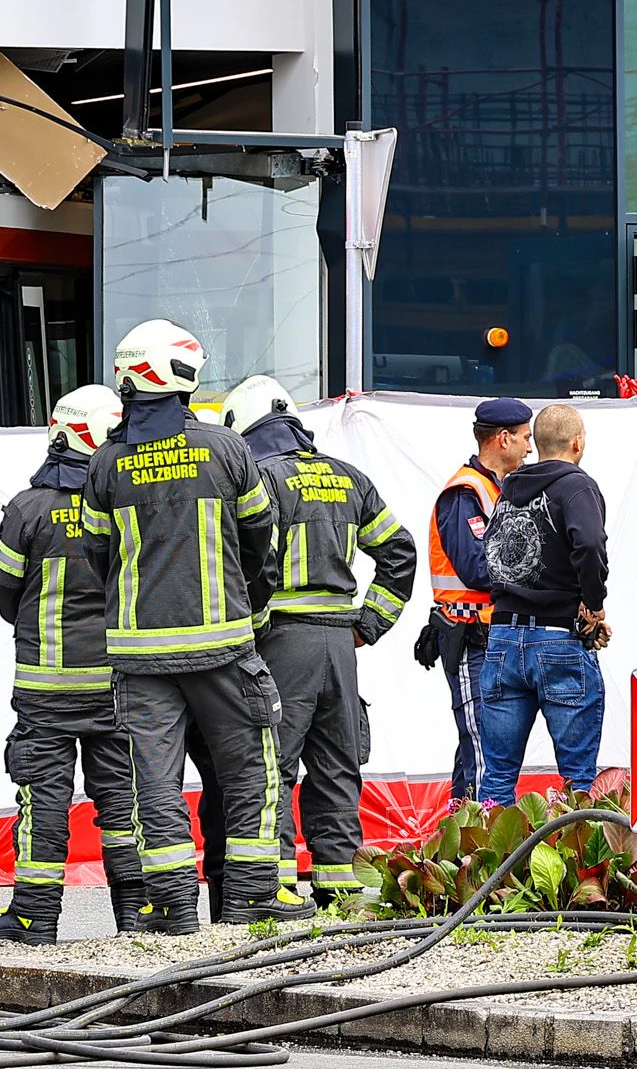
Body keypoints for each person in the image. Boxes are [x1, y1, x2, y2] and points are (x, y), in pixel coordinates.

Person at [81, 320, 294, 932]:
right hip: (225, 648)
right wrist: (244, 597)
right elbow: (261, 539)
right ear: (183, 376)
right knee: (250, 772)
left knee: (155, 782)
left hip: (140, 660)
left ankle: (173, 908)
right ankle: (252, 901)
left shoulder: (107, 463)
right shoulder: (227, 451)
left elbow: (99, 557)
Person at [220, 376, 417, 907]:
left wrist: (254, 629)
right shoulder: (351, 479)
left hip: (282, 643)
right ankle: (340, 885)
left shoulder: (258, 480)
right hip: (339, 648)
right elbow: (400, 552)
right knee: (336, 763)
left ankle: (279, 882)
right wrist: (366, 625)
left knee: (274, 764)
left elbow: (248, 566)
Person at [0, 385, 148, 945]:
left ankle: (34, 918)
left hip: (45, 690)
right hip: (117, 685)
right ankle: (137, 918)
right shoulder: (124, 502)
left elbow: (5, 595)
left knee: (43, 802)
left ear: (60, 433)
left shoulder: (27, 510)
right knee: (122, 803)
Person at [474, 404, 613, 805]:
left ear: (536, 443)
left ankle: (489, 866)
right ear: (578, 442)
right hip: (559, 642)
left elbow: (492, 555)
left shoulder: (507, 490)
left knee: (498, 775)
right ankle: (571, 862)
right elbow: (588, 544)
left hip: (501, 641)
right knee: (577, 780)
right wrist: (593, 604)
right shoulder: (576, 486)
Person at [421, 398, 532, 803]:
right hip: (470, 639)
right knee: (485, 746)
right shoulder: (464, 493)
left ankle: (460, 843)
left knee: (476, 743)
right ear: (503, 440)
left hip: (489, 637)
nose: (529, 447)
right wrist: (533, 568)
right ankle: (491, 851)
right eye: (525, 438)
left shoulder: (496, 489)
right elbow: (476, 568)